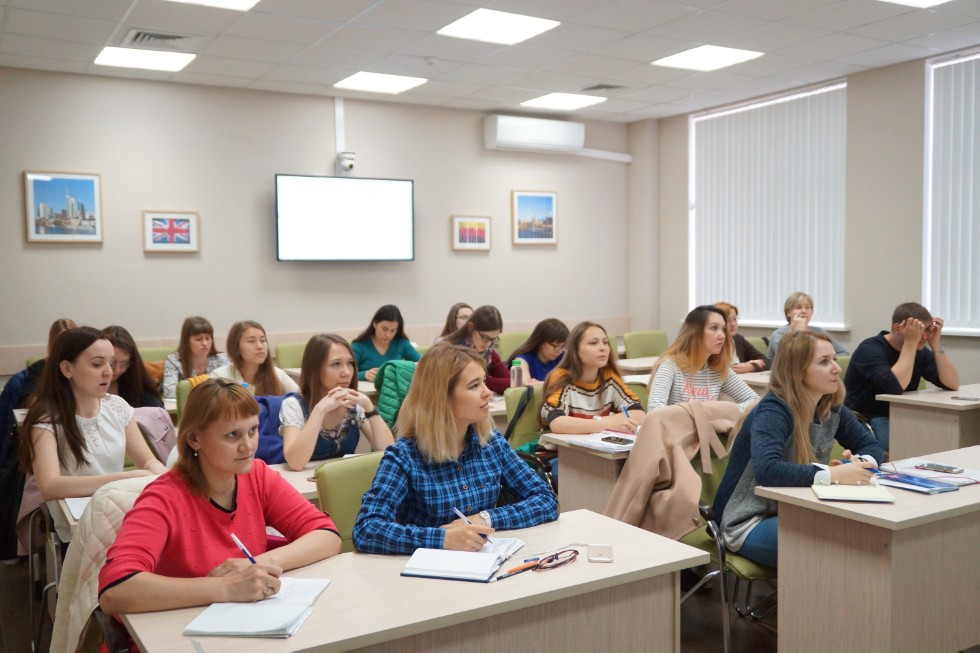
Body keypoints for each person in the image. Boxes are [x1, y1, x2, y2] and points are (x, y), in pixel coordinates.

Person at [98, 379, 341, 614]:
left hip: (242, 619)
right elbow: (115, 590)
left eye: (253, 430)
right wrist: (227, 587)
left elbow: (327, 535)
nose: (248, 446)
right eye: (232, 435)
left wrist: (255, 564)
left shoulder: (257, 475)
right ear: (194, 439)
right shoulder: (164, 496)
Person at [352, 344, 558, 554]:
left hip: (483, 562)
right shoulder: (405, 456)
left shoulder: (491, 442)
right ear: (442, 397)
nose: (488, 393)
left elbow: (545, 499)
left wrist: (483, 518)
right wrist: (442, 538)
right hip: (426, 575)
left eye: (484, 382)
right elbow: (366, 529)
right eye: (474, 385)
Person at [713, 331, 884, 568]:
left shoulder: (830, 406)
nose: (836, 368)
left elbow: (871, 445)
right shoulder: (774, 410)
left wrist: (861, 463)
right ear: (797, 370)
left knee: (862, 531)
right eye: (824, 362)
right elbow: (768, 471)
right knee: (843, 541)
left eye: (834, 359)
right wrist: (833, 475)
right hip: (747, 521)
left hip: (797, 508)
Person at [18, 327, 167, 541]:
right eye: (97, 364)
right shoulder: (46, 419)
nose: (109, 371)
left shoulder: (117, 406)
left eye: (111, 362)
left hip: (115, 511)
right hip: (78, 527)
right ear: (67, 368)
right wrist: (124, 478)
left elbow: (147, 459)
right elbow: (50, 486)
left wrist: (161, 474)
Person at [844, 302, 960, 451]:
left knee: (939, 442)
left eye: (926, 330)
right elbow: (895, 386)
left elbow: (952, 383)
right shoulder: (869, 349)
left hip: (905, 414)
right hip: (871, 417)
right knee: (905, 449)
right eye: (918, 330)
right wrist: (911, 342)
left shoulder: (920, 351)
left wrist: (935, 344)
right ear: (897, 328)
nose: (924, 336)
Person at [280, 334, 394, 471]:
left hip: (342, 484)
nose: (346, 372)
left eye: (350, 363)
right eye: (336, 364)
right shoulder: (293, 405)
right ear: (315, 369)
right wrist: (320, 410)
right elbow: (295, 463)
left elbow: (388, 452)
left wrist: (369, 407)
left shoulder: (354, 405)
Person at [648, 306, 758, 411]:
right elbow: (654, 409)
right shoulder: (670, 365)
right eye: (714, 328)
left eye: (723, 329)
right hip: (678, 429)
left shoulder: (719, 368)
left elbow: (755, 401)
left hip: (708, 429)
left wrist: (722, 411)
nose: (722, 335)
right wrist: (696, 414)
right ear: (695, 332)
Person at [541, 321, 644, 434]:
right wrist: (609, 424)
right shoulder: (561, 376)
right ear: (575, 350)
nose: (602, 348)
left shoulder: (608, 375)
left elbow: (639, 414)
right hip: (563, 448)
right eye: (593, 343)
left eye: (605, 342)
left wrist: (598, 424)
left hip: (597, 445)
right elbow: (558, 423)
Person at [210, 320, 299, 396]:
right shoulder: (219, 377)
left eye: (263, 340)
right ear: (236, 347)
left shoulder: (278, 375)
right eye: (251, 341)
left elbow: (301, 399)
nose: (260, 346)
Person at [442, 305, 509, 394]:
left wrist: (485, 381)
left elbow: (510, 382)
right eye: (484, 337)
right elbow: (458, 386)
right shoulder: (450, 350)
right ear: (471, 327)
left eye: (493, 339)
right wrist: (485, 381)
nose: (488, 344)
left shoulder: (488, 353)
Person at [766, 292, 849, 360]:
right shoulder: (778, 335)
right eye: (798, 308)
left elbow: (844, 353)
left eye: (808, 307)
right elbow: (792, 360)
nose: (804, 311)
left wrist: (824, 361)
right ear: (788, 312)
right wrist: (800, 332)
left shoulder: (818, 332)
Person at [161, 317, 228, 399]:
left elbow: (229, 389)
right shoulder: (173, 360)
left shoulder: (221, 359)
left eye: (208, 338)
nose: (204, 343)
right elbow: (170, 392)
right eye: (198, 339)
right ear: (186, 341)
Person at [351, 305, 420, 382]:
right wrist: (364, 375)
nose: (388, 335)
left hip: (395, 391)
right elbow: (348, 374)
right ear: (374, 324)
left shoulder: (401, 342)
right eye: (384, 329)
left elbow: (422, 364)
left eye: (393, 330)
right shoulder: (358, 346)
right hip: (367, 392)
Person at [18, 318, 77, 407]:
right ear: (52, 343)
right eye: (59, 342)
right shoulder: (39, 367)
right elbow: (27, 399)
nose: (65, 346)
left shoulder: (83, 366)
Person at [101, 326, 164, 408]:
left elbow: (159, 413)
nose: (117, 369)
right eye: (112, 362)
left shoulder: (136, 387)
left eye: (123, 363)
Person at [509, 318, 569, 383]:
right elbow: (526, 386)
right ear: (541, 342)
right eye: (556, 346)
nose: (559, 351)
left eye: (563, 346)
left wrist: (538, 383)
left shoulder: (563, 357)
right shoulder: (522, 360)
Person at [714, 302, 769, 373]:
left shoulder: (738, 339)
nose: (733, 324)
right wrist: (744, 366)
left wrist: (751, 366)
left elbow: (766, 362)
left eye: (735, 319)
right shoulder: (713, 342)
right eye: (728, 320)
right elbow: (717, 369)